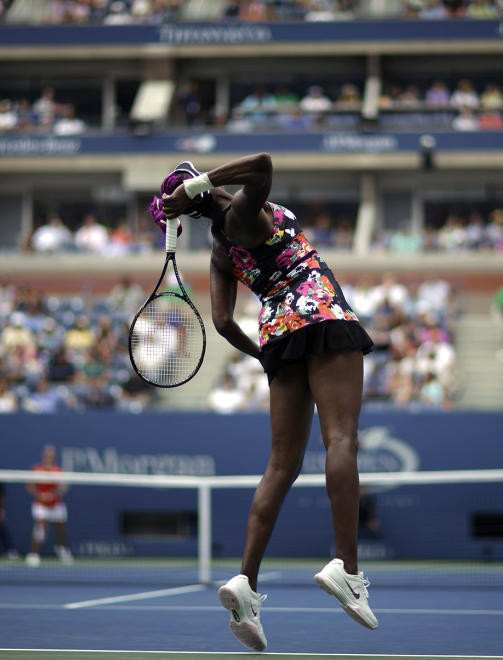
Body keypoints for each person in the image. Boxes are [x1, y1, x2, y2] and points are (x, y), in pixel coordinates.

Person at [155, 154, 378, 651]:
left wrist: (265, 356)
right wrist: (205, 183)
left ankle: (245, 583)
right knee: (341, 438)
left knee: (280, 467)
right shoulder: (240, 213)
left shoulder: (219, 248)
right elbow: (262, 165)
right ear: (199, 193)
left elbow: (222, 322)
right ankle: (348, 567)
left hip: (278, 336)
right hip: (320, 314)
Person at [25, 445, 72, 567]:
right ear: (44, 456)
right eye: (48, 456)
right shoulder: (37, 469)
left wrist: (54, 494)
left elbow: (63, 488)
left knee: (61, 529)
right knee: (40, 528)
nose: (50, 458)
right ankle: (33, 554)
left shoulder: (58, 471)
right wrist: (40, 495)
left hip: (56, 504)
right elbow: (30, 486)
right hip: (40, 504)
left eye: (52, 456)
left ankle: (63, 550)